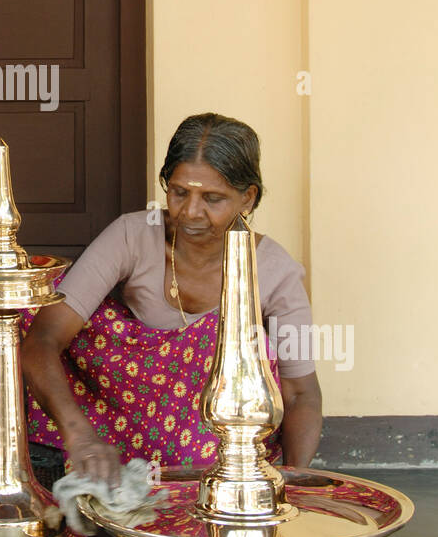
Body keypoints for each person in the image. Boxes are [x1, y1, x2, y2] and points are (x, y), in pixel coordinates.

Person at [20, 112, 322, 487]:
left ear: (247, 198)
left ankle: (190, 470)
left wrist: (292, 481)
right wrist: (79, 434)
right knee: (40, 300)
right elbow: (43, 338)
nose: (190, 212)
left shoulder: (276, 271)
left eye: (212, 198)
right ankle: (106, 461)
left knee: (242, 342)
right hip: (125, 416)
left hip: (211, 433)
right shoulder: (132, 235)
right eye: (179, 192)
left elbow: (299, 392)